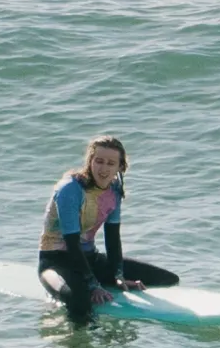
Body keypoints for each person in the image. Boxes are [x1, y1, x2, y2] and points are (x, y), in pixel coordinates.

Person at [38, 135, 179, 325]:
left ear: (121, 167)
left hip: (90, 259)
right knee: (79, 302)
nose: (104, 169)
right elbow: (71, 243)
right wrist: (92, 285)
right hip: (56, 262)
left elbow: (112, 237)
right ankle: (78, 345)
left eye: (111, 163)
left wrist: (118, 276)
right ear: (90, 162)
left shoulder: (114, 189)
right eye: (99, 161)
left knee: (166, 279)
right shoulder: (70, 189)